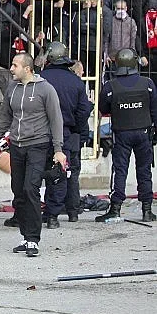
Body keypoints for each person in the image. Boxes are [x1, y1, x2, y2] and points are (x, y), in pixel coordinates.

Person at [0, 53, 65, 257]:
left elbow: (56, 120)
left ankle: (33, 239)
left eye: (15, 65)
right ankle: (25, 236)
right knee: (19, 191)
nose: (11, 68)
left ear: (27, 68)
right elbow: (5, 117)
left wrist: (58, 149)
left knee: (30, 188)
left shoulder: (45, 89)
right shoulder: (12, 89)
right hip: (16, 145)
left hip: (38, 145)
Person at [96, 48, 156, 223]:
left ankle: (115, 208)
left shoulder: (110, 86)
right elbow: (155, 109)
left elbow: (104, 108)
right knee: (144, 171)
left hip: (122, 133)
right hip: (144, 133)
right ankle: (146, 210)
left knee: (120, 170)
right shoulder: (148, 83)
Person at [40, 42, 93, 227]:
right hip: (65, 133)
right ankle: (54, 215)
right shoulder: (75, 81)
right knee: (61, 174)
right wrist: (76, 130)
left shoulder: (40, 78)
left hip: (41, 132)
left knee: (37, 174)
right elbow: (83, 110)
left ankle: (44, 213)